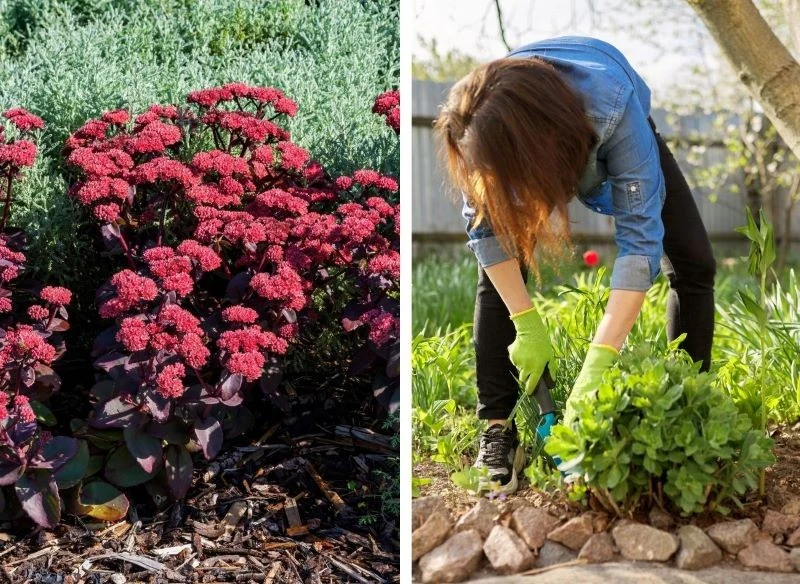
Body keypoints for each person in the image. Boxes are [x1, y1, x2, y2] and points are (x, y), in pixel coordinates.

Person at [434, 36, 716, 494]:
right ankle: (498, 430)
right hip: (522, 134)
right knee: (497, 275)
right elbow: (486, 233)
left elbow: (640, 243)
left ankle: (685, 410)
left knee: (694, 263)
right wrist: (526, 323)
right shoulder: (473, 128)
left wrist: (597, 367)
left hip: (598, 117)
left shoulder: (615, 111)